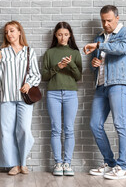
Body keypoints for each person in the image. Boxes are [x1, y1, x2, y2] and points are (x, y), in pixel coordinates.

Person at [83, 5, 126, 180]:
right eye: (103, 20)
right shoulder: (99, 37)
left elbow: (121, 49)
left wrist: (99, 45)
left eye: (109, 20)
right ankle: (110, 163)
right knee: (94, 124)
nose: (105, 24)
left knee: (120, 124)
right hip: (101, 85)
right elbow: (95, 63)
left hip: (118, 84)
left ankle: (122, 167)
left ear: (117, 18)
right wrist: (94, 64)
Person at [0, 20, 41, 176]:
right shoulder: (1, 52)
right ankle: (13, 164)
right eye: (6, 32)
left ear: (20, 32)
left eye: (12, 30)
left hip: (24, 97)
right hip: (6, 96)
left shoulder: (29, 52)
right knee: (6, 132)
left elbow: (36, 75)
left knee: (24, 130)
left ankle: (23, 162)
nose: (9, 34)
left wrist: (28, 83)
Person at [41, 22, 82, 176]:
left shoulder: (75, 53)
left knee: (69, 129)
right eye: (59, 34)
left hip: (71, 93)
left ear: (70, 35)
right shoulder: (49, 53)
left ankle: (67, 163)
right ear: (55, 36)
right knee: (55, 129)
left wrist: (70, 64)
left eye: (65, 34)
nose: (63, 37)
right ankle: (58, 163)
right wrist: (58, 66)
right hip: (53, 93)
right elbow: (44, 76)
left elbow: (78, 77)